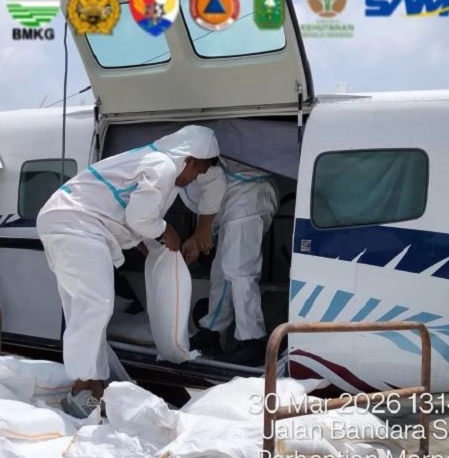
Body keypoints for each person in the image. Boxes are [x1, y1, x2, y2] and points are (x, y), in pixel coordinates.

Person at [36, 125, 221, 418]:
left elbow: (127, 212)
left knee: (85, 310)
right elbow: (140, 217)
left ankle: (92, 393)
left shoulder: (153, 160)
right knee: (95, 307)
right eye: (198, 171)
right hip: (77, 225)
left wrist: (145, 242)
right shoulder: (162, 167)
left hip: (68, 222)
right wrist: (165, 231)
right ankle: (81, 392)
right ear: (191, 160)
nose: (195, 178)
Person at [182, 157, 279, 367]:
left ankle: (252, 340)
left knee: (239, 270)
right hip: (235, 200)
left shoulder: (184, 163)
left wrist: (202, 232)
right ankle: (211, 331)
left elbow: (214, 186)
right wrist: (200, 237)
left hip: (248, 194)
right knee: (222, 272)